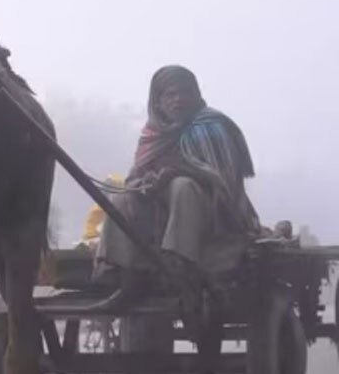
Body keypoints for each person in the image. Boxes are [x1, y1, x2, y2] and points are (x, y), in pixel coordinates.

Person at [93, 65, 259, 311]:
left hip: (216, 216)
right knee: (122, 199)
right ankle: (130, 281)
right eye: (169, 95)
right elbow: (137, 175)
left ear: (196, 96)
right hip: (158, 218)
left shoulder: (212, 125)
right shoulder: (152, 134)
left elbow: (223, 181)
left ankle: (183, 273)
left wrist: (174, 173)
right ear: (157, 102)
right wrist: (144, 184)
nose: (178, 100)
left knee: (182, 187)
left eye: (184, 93)